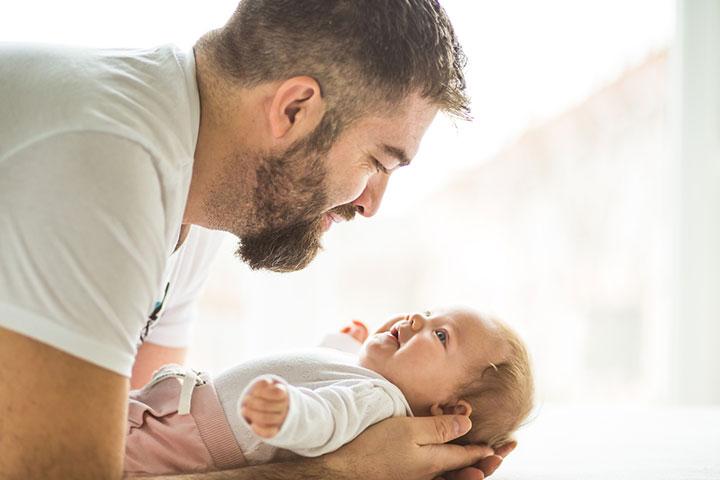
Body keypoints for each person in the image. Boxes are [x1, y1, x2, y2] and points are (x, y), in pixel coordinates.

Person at [0, 1, 514, 478]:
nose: (369, 204)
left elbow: (139, 442)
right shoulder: (109, 165)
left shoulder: (189, 198)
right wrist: (339, 471)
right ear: (294, 110)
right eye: (377, 162)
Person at [123, 307, 534, 477]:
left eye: (440, 335)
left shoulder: (380, 403)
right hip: (174, 418)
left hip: (178, 443)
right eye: (426, 312)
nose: (415, 318)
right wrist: (338, 345)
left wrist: (288, 414)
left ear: (447, 408)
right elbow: (319, 373)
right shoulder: (367, 379)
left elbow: (325, 418)